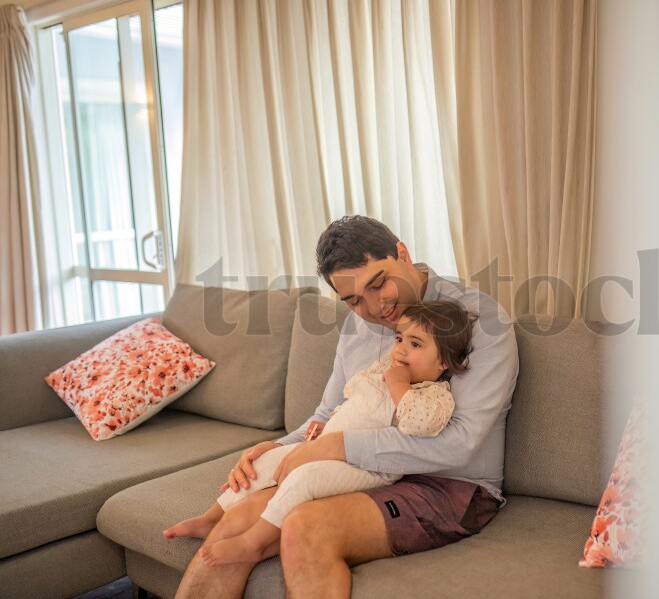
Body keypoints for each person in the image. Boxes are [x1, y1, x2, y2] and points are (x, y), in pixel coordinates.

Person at [173, 216, 518, 599]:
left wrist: (336, 446)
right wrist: (278, 448)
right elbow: (327, 415)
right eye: (353, 300)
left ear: (402, 254)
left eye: (378, 283)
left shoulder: (477, 318)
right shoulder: (357, 328)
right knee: (237, 521)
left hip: (448, 486)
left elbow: (460, 443)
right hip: (360, 470)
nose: (374, 307)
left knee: (306, 525)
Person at [163, 300, 476, 567]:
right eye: (399, 339)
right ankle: (210, 518)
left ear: (443, 361)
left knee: (305, 477)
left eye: (416, 344)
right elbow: (355, 404)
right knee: (266, 460)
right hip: (327, 444)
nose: (401, 350)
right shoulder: (383, 370)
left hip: (369, 468)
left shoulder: (434, 395)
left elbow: (418, 424)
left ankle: (254, 542)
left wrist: (399, 385)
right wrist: (329, 425)